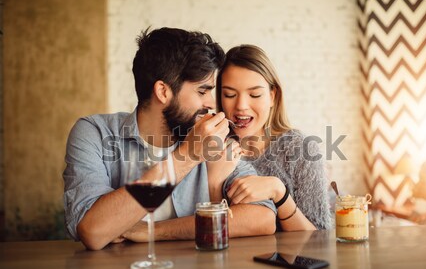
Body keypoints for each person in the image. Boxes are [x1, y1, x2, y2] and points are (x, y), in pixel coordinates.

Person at [63, 28, 276, 250]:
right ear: (163, 92)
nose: (212, 103)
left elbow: (262, 218)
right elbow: (93, 231)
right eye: (202, 91)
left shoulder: (213, 139)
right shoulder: (95, 133)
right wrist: (186, 157)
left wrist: (153, 231)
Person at [211, 44, 332, 231]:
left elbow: (320, 238)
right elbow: (208, 230)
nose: (241, 105)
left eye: (255, 94)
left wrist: (278, 192)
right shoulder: (211, 148)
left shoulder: (300, 149)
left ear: (272, 97)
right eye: (230, 94)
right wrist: (215, 182)